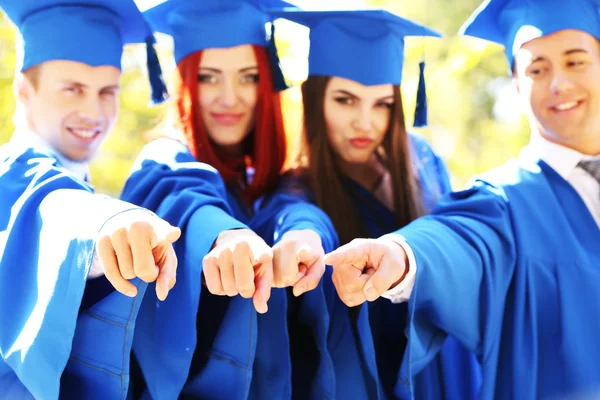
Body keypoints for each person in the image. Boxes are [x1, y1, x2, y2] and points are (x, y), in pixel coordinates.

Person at [323, 0, 600, 398]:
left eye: (576, 62)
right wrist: (400, 256)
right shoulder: (505, 201)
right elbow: (456, 239)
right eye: (537, 69)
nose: (558, 84)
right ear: (517, 83)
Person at [119, 1, 341, 398]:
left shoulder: (272, 175)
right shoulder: (166, 158)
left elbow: (291, 205)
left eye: (248, 77)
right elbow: (183, 198)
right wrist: (225, 236)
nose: (229, 97)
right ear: (186, 82)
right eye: (208, 77)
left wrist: (305, 233)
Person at [267, 8, 482, 400]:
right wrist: (302, 237)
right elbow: (297, 218)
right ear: (316, 100)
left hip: (445, 366)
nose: (365, 122)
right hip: (370, 377)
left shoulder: (425, 163)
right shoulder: (299, 186)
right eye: (346, 100)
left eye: (381, 103)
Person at [0, 0, 181, 398]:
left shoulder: (78, 183)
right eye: (72, 89)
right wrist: (105, 224)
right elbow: (51, 207)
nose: (93, 111)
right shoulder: (12, 176)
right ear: (24, 92)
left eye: (107, 92)